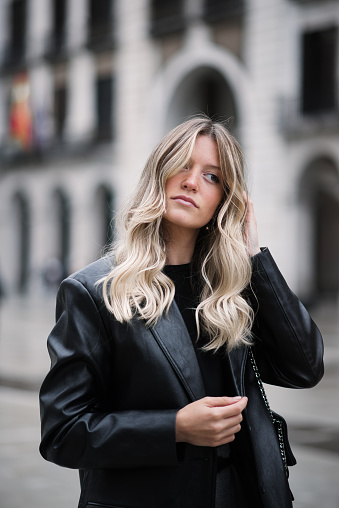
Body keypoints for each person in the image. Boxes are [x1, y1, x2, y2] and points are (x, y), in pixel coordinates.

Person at [39, 117, 324, 508]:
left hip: (242, 494)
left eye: (212, 177)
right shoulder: (93, 291)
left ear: (226, 200)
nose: (192, 182)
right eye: (183, 166)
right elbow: (62, 433)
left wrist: (256, 259)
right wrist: (174, 428)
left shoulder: (232, 290)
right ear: (160, 172)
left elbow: (305, 368)